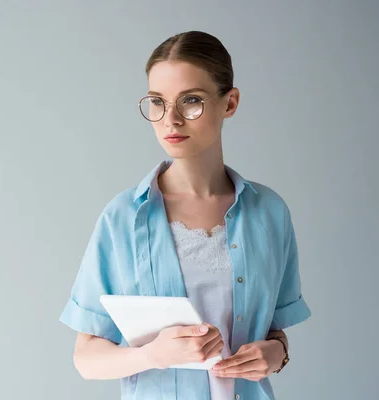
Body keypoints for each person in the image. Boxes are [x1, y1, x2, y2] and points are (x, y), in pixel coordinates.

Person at [58, 31, 311, 400]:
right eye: (157, 102)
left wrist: (277, 353)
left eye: (191, 101)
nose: (170, 119)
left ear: (230, 103)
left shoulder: (270, 212)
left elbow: (273, 331)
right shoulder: (123, 218)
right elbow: (86, 359)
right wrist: (153, 355)